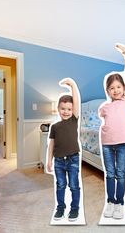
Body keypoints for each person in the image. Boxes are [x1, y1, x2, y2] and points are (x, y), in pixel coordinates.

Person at [99, 43, 125, 219]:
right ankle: (110, 202)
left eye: (118, 87)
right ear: (108, 91)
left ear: (124, 88)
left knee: (121, 174)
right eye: (112, 88)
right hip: (106, 144)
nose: (116, 90)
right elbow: (103, 118)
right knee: (110, 174)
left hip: (122, 144)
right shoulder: (104, 107)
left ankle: (120, 204)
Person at [47, 78, 80, 221]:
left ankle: (75, 209)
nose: (66, 112)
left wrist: (72, 85)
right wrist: (49, 160)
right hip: (59, 161)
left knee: (74, 185)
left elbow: (77, 101)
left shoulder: (74, 120)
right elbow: (51, 145)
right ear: (58, 109)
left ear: (72, 111)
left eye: (69, 109)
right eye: (63, 109)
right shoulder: (54, 127)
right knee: (60, 185)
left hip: (73, 159)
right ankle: (60, 208)